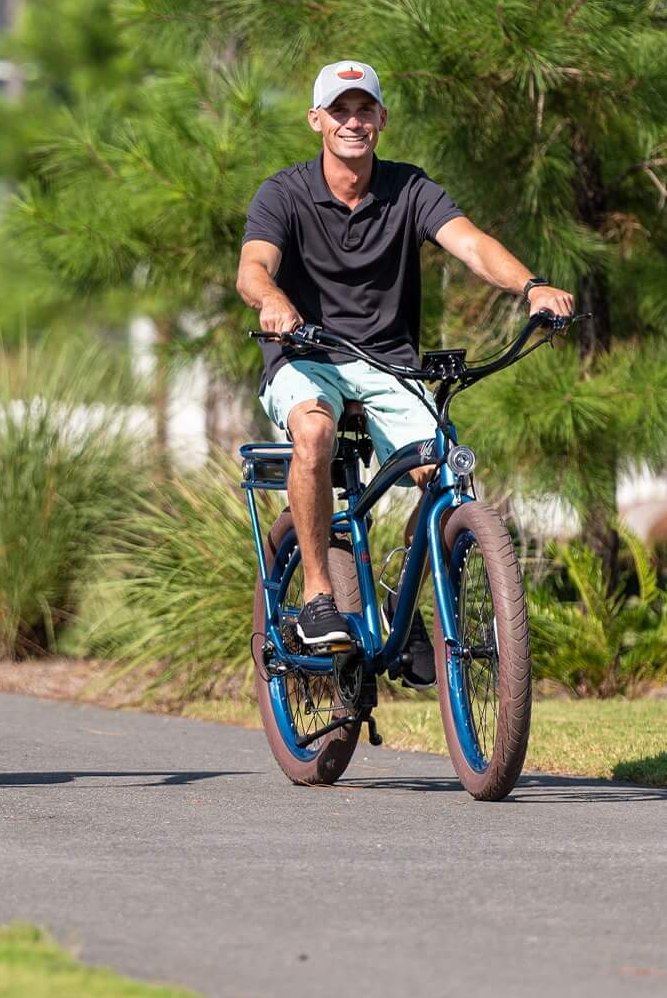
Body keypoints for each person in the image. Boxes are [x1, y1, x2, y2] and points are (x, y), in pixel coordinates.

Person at [236, 59, 575, 680]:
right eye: (339, 110)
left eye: (364, 109)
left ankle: (405, 596)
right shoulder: (283, 193)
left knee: (441, 469)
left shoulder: (409, 188)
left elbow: (470, 243)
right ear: (317, 120)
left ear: (382, 119)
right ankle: (317, 597)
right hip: (305, 355)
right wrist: (274, 299)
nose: (353, 121)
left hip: (385, 361)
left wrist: (532, 285)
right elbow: (253, 267)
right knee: (313, 433)